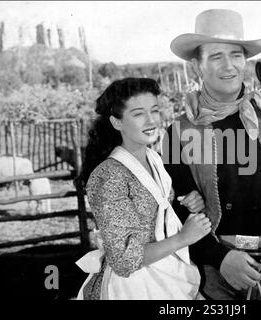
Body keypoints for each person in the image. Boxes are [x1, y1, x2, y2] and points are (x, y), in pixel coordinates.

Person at [162, 9, 261, 300]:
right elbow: (177, 213)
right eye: (216, 57)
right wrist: (220, 258)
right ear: (197, 66)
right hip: (220, 277)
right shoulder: (178, 132)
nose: (229, 66)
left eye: (236, 55)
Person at [74, 77, 210, 300]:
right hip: (132, 288)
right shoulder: (108, 175)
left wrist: (186, 201)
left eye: (154, 111)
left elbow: (154, 212)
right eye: (138, 114)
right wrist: (183, 238)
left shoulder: (153, 158)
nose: (151, 120)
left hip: (164, 275)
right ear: (117, 123)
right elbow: (123, 260)